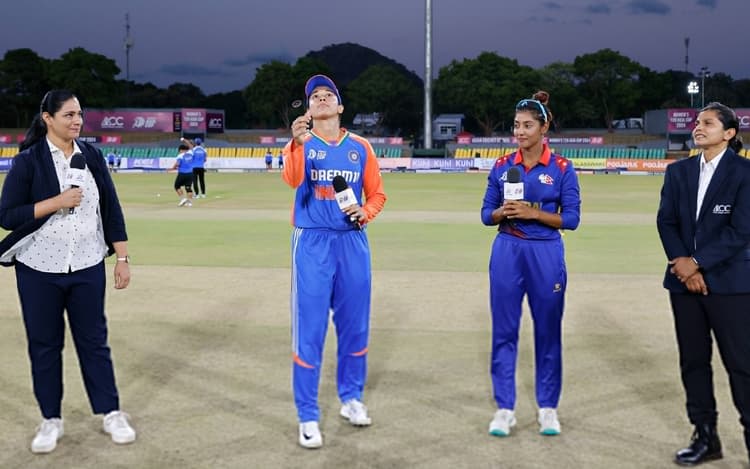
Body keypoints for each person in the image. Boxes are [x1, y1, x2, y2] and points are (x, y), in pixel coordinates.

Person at [0, 90, 135, 454]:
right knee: (44, 345)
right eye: (69, 115)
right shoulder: (28, 161)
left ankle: (111, 413)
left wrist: (122, 258)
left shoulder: (92, 156)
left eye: (79, 114)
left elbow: (111, 208)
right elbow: (7, 216)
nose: (77, 121)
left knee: (94, 342)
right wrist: (55, 203)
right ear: (48, 118)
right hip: (38, 269)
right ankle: (50, 419)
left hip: (88, 265)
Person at [283, 74, 387, 449]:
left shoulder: (360, 147)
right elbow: (292, 179)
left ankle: (351, 398)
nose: (322, 98)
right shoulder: (300, 144)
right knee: (310, 329)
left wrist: (365, 212)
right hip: (312, 242)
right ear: (309, 109)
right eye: (316, 96)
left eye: (329, 94)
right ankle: (308, 415)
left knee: (355, 326)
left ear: (340, 106)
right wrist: (297, 144)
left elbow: (377, 195)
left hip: (352, 242)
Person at [480, 92, 580, 438]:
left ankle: (548, 409)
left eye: (527, 125)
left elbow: (572, 219)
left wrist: (532, 213)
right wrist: (502, 213)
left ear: (543, 127)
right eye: (516, 125)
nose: (519, 132)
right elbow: (485, 214)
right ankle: (505, 409)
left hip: (546, 253)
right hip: (507, 251)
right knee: (504, 331)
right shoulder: (501, 166)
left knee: (548, 331)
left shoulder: (562, 168)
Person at [656, 102, 750, 466]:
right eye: (697, 122)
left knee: (742, 365)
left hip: (731, 284)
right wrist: (684, 266)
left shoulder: (744, 172)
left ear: (728, 133)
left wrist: (695, 264)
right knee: (693, 362)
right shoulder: (678, 171)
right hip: (684, 286)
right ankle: (705, 436)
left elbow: (741, 230)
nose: (698, 127)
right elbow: (666, 222)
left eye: (708, 123)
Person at [171, 142, 194, 207]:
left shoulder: (180, 155)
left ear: (181, 150)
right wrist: (184, 140)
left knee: (177, 186)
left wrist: (172, 168)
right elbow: (191, 146)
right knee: (188, 188)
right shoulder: (191, 153)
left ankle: (183, 199)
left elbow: (178, 164)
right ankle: (190, 203)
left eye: (179, 151)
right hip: (190, 173)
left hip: (182, 173)